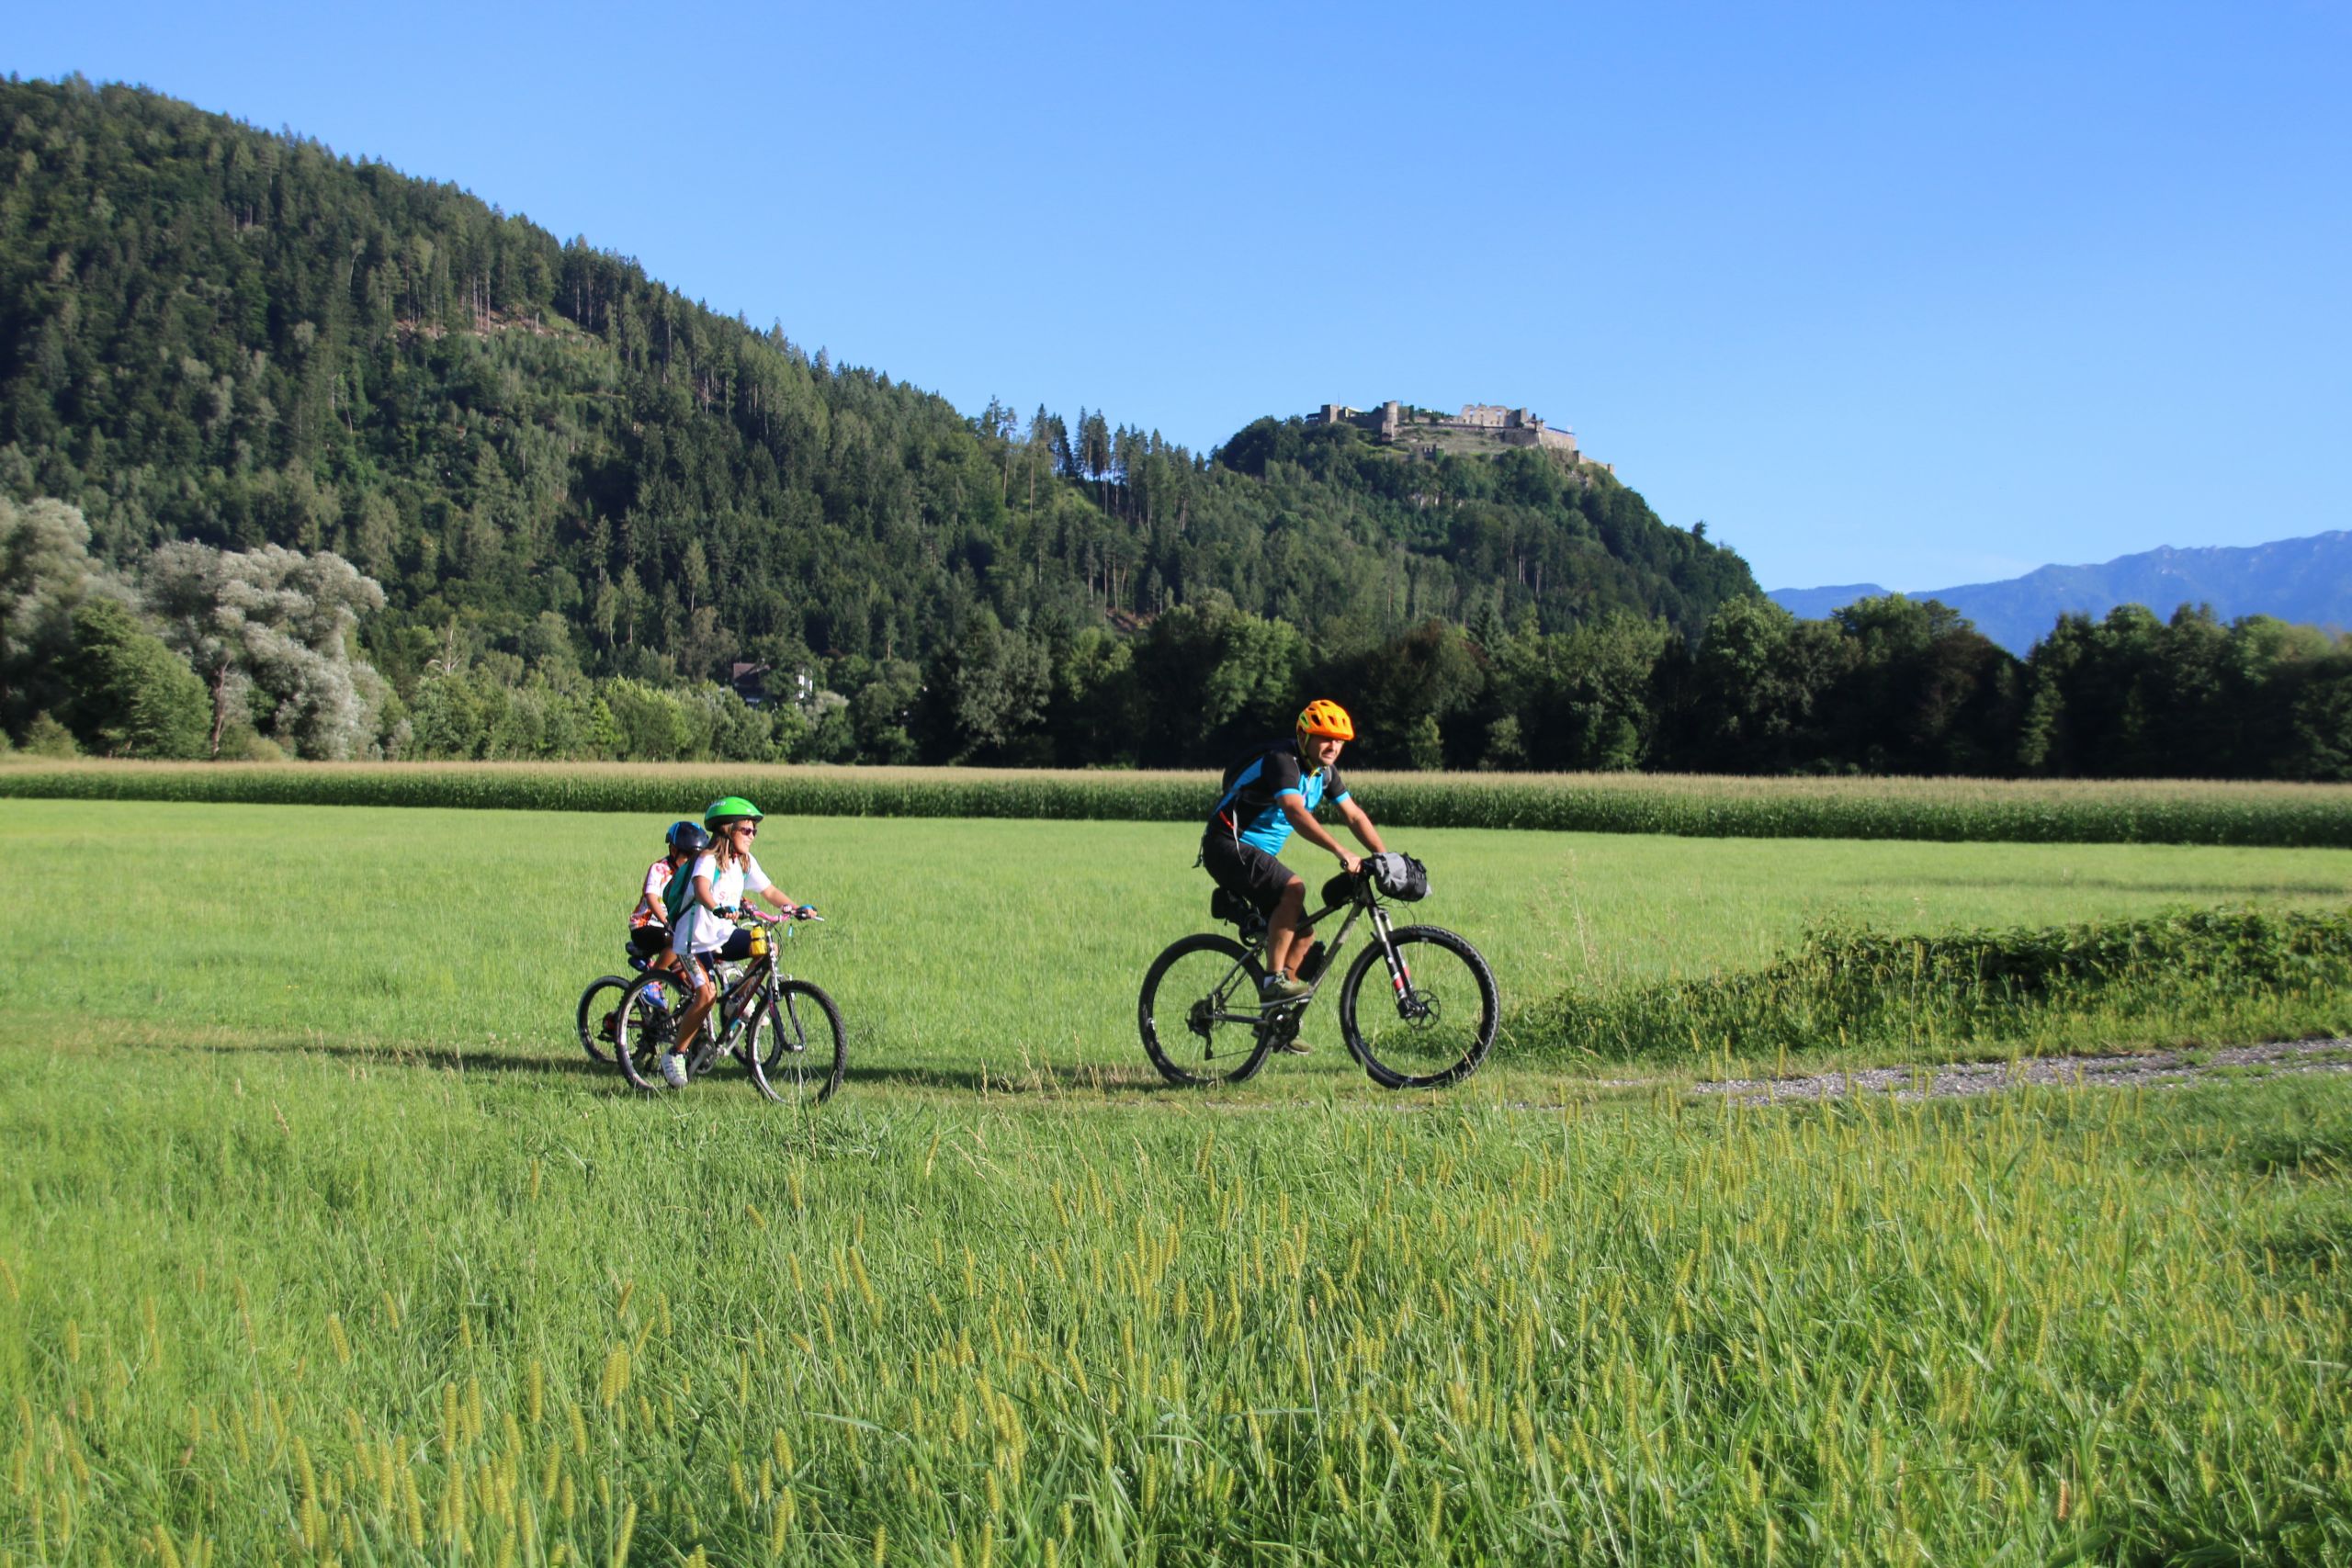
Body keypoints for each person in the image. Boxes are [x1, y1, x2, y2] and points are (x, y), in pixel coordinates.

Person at [1202, 700, 1387, 1032]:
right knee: (1293, 889)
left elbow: (1354, 816)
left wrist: (1385, 857)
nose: (1333, 746)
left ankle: (1274, 1025)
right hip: (1227, 845)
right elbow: (1294, 811)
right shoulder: (1282, 761)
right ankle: (1272, 981)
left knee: (1304, 936)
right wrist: (1341, 851)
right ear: (1303, 737)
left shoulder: (1324, 773)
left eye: (1339, 740)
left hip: (1256, 854)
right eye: (1325, 738)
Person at [665, 795, 805, 1089]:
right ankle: (675, 1053)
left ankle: (736, 1002)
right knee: (706, 994)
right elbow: (701, 889)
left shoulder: (744, 862)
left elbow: (769, 891)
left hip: (722, 936)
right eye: (747, 829)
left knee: (767, 948)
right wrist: (716, 907)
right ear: (727, 829)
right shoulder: (707, 859)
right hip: (694, 940)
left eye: (755, 831)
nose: (752, 835)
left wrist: (795, 908)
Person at [628, 820, 709, 974]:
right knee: (677, 941)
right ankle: (652, 979)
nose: (692, 862)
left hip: (676, 928)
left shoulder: (694, 874)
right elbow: (651, 897)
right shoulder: (660, 869)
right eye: (688, 856)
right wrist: (667, 923)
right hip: (645, 926)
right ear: (673, 850)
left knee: (688, 975)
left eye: (696, 858)